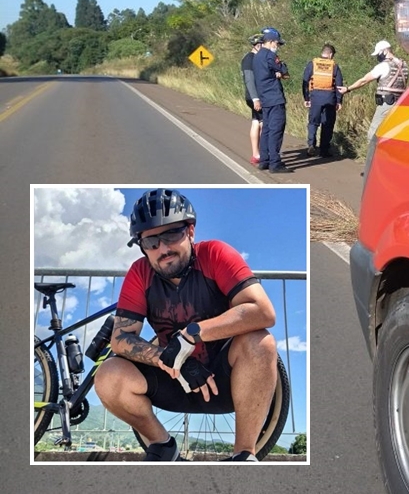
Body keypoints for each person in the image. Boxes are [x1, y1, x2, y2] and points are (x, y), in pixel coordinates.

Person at [94, 189, 278, 462]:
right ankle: (162, 446)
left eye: (171, 235)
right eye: (151, 242)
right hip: (175, 380)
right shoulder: (139, 272)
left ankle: (244, 454)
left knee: (261, 342)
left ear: (190, 231)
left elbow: (262, 311)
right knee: (108, 373)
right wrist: (170, 359)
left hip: (227, 378)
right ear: (141, 245)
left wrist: (193, 335)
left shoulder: (215, 253)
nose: (163, 249)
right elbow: (120, 339)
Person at [338, 39, 409, 177]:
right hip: (400, 105)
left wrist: (348, 89)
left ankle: (372, 169)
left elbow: (364, 80)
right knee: (392, 136)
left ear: (384, 51)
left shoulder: (383, 66)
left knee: (373, 135)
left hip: (386, 105)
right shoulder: (404, 65)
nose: (377, 56)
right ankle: (391, 167)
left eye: (378, 53)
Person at [252, 27, 292, 173]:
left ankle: (264, 160)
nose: (278, 46)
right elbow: (283, 70)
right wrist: (281, 69)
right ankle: (275, 163)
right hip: (274, 98)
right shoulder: (269, 56)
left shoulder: (256, 56)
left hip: (264, 97)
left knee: (267, 130)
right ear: (271, 42)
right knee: (276, 130)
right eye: (277, 43)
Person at [302, 43, 344, 158]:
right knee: (327, 124)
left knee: (313, 122)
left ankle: (311, 145)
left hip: (315, 96)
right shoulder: (334, 66)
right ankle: (324, 149)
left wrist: (306, 98)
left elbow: (305, 82)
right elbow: (339, 85)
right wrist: (339, 101)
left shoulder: (312, 64)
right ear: (330, 54)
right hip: (330, 98)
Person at [241, 33, 264, 165]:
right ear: (258, 45)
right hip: (254, 96)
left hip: (255, 96)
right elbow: (249, 80)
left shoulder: (253, 58)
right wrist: (255, 99)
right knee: (261, 123)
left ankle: (257, 154)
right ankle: (257, 153)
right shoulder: (249, 59)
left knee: (256, 122)